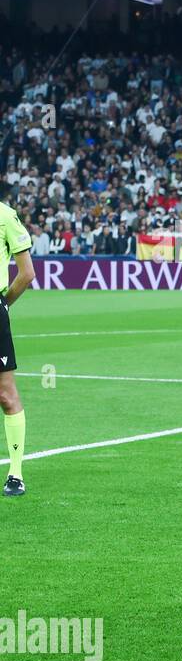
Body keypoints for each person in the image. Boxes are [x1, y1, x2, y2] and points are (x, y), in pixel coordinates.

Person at [0, 194, 34, 497]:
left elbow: (26, 273)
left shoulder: (6, 216)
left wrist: (4, 305)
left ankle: (15, 473)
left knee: (6, 395)